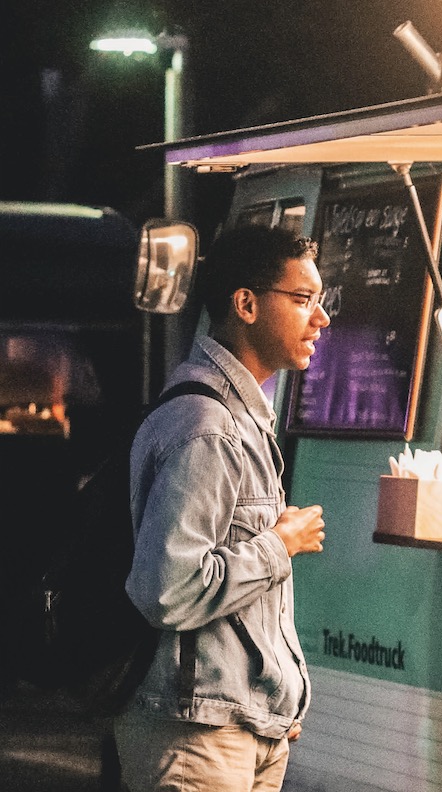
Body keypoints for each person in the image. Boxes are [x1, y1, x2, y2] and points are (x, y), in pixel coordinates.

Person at [114, 225, 331, 791]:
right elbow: (168, 588)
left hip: (238, 727)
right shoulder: (207, 428)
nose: (321, 319)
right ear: (246, 304)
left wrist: (276, 695)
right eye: (304, 300)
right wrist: (279, 544)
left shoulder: (239, 421)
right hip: (194, 736)